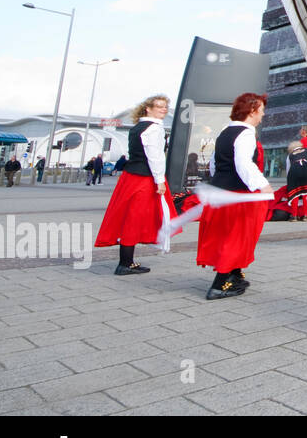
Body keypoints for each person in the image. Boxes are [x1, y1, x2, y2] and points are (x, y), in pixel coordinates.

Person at [197, 93, 271, 300]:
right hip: (237, 194)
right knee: (235, 238)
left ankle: (235, 275)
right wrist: (263, 186)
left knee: (227, 236)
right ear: (252, 110)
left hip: (222, 190)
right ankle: (220, 285)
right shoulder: (246, 134)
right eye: (261, 110)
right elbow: (244, 163)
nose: (263, 115)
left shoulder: (225, 132)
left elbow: (214, 164)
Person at [95, 94, 177, 276]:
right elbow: (154, 156)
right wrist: (160, 180)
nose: (164, 110)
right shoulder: (154, 128)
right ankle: (125, 263)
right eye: (160, 106)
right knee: (135, 218)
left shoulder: (138, 127)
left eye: (165, 107)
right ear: (148, 108)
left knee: (128, 217)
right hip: (144, 178)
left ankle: (126, 261)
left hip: (131, 177)